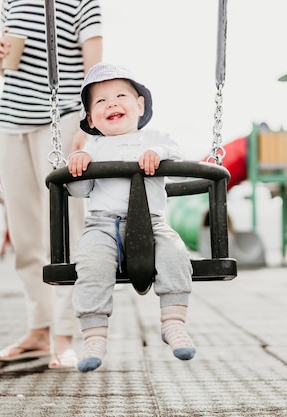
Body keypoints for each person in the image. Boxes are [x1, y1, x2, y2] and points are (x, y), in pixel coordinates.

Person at [0, 0, 102, 369]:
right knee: (24, 234)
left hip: (62, 116)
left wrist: (88, 130)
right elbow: (5, 68)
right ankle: (39, 329)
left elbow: (95, 70)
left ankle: (66, 334)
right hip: (9, 120)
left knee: (64, 230)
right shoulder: (10, 1)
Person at [66, 62, 196, 372]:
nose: (111, 103)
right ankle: (94, 335)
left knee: (176, 255)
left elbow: (177, 151)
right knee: (91, 266)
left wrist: (160, 153)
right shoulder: (93, 148)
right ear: (90, 118)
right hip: (103, 225)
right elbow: (79, 190)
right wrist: (78, 162)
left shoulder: (155, 137)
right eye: (100, 101)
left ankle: (173, 322)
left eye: (121, 95)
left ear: (139, 105)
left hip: (152, 222)